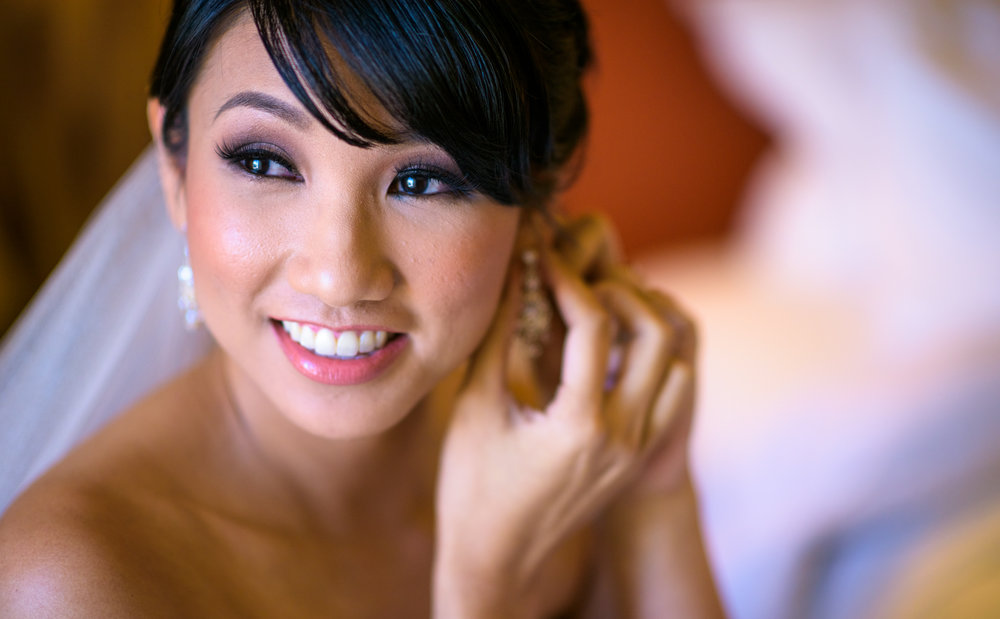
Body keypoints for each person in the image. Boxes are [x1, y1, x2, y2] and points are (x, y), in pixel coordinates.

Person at [0, 1, 724, 616]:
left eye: (422, 180)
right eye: (263, 162)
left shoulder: (568, 452)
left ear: (539, 199)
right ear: (174, 167)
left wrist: (653, 494)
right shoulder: (73, 581)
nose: (340, 276)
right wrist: (483, 589)